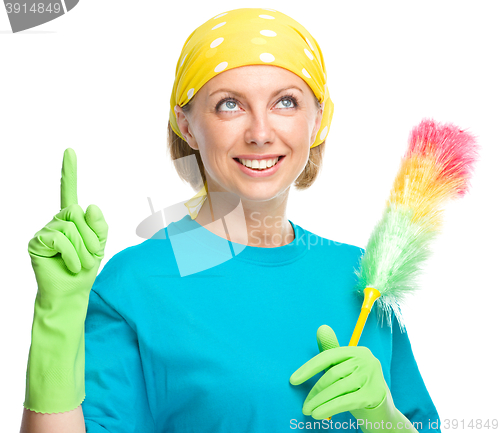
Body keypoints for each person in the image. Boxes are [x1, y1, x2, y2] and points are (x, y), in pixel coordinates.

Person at [20, 8, 440, 433]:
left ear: (318, 121)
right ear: (186, 125)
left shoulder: (364, 278)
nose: (260, 132)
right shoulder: (137, 283)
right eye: (229, 104)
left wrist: (385, 418)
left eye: (286, 102)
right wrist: (56, 318)